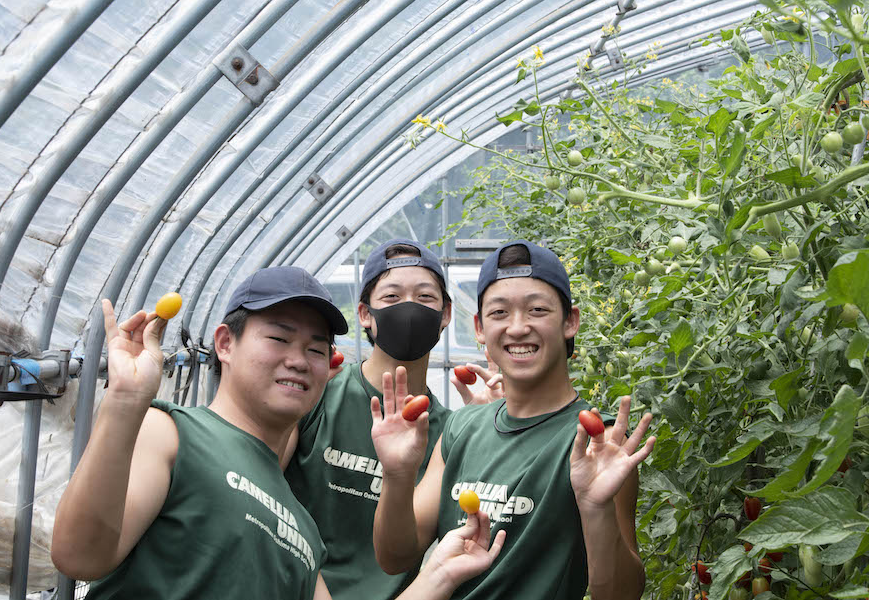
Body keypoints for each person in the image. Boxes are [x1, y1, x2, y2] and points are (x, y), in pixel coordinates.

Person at [51, 266, 504, 600]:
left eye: (315, 349)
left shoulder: (304, 533)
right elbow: (81, 556)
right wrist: (126, 403)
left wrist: (438, 576)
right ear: (225, 344)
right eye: (279, 339)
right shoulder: (171, 434)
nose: (297, 359)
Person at [371, 240, 656, 600]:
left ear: (571, 321)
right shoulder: (462, 429)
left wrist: (596, 508)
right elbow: (395, 557)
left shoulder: (598, 444)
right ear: (479, 328)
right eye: (499, 313)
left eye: (537, 309)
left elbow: (619, 595)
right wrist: (397, 475)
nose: (518, 328)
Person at [283, 239, 503, 600]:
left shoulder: (452, 433)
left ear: (446, 314)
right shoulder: (318, 393)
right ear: (365, 314)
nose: (409, 309)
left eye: (425, 298)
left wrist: (492, 424)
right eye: (391, 297)